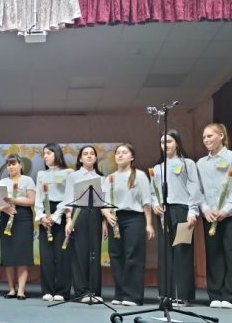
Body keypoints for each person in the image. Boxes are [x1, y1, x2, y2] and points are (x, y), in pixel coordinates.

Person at [196, 123, 232, 309]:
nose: (206, 140)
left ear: (221, 136)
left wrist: (226, 210)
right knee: (213, 255)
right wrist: (205, 209)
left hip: (231, 214)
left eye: (210, 136)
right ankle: (215, 295)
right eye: (204, 137)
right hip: (210, 216)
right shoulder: (200, 163)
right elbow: (197, 190)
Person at [151, 130, 201, 307]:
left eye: (169, 141)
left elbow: (194, 188)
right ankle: (166, 294)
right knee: (165, 252)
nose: (165, 145)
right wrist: (155, 204)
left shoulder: (188, 163)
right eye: (162, 142)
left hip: (182, 210)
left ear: (177, 143)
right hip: (164, 213)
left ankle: (182, 294)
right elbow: (153, 191)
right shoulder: (158, 168)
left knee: (182, 251)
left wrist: (193, 211)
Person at [102, 143, 155, 307]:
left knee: (133, 256)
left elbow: (146, 202)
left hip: (134, 218)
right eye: (118, 152)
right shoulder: (110, 178)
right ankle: (120, 293)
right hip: (114, 219)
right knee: (116, 256)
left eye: (124, 152)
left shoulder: (139, 176)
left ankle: (133, 296)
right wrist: (106, 216)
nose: (120, 155)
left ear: (132, 157)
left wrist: (149, 224)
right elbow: (104, 203)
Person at [62, 145, 104, 303]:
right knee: (80, 252)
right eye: (85, 154)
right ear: (80, 159)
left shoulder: (101, 177)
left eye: (92, 153)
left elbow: (103, 203)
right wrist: (68, 220)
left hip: (95, 214)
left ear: (96, 158)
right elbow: (68, 198)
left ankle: (95, 290)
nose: (89, 156)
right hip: (78, 214)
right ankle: (82, 291)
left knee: (95, 252)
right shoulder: (73, 176)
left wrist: (104, 223)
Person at [35, 143, 73, 301]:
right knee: (46, 256)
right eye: (44, 154)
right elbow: (38, 197)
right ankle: (47, 290)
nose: (45, 156)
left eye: (48, 153)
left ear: (57, 154)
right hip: (45, 214)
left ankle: (62, 291)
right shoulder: (41, 174)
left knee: (62, 255)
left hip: (61, 214)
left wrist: (56, 216)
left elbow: (69, 197)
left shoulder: (69, 173)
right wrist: (41, 216)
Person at [0, 153, 36, 300]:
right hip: (5, 217)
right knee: (9, 255)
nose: (11, 167)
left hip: (23, 219)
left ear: (20, 165)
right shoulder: (1, 182)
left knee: (22, 255)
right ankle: (12, 289)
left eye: (13, 164)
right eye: (8, 164)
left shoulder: (27, 180)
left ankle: (21, 291)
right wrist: (4, 208)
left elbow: (32, 200)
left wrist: (13, 200)